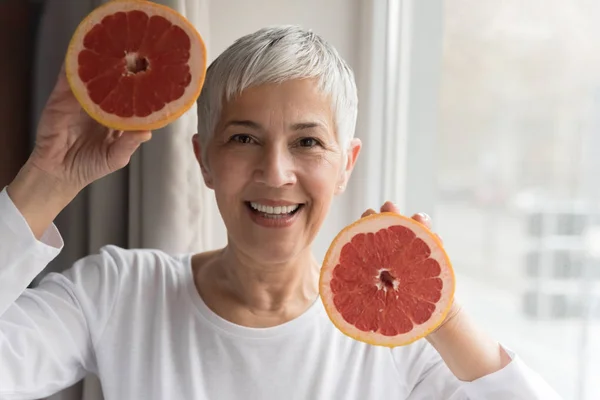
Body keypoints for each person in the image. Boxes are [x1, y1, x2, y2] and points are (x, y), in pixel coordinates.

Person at [0, 25, 561, 400]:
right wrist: (48, 179)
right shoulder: (119, 291)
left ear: (347, 164)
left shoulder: (393, 341)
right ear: (204, 161)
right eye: (243, 139)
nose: (275, 173)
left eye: (308, 143)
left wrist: (445, 316)